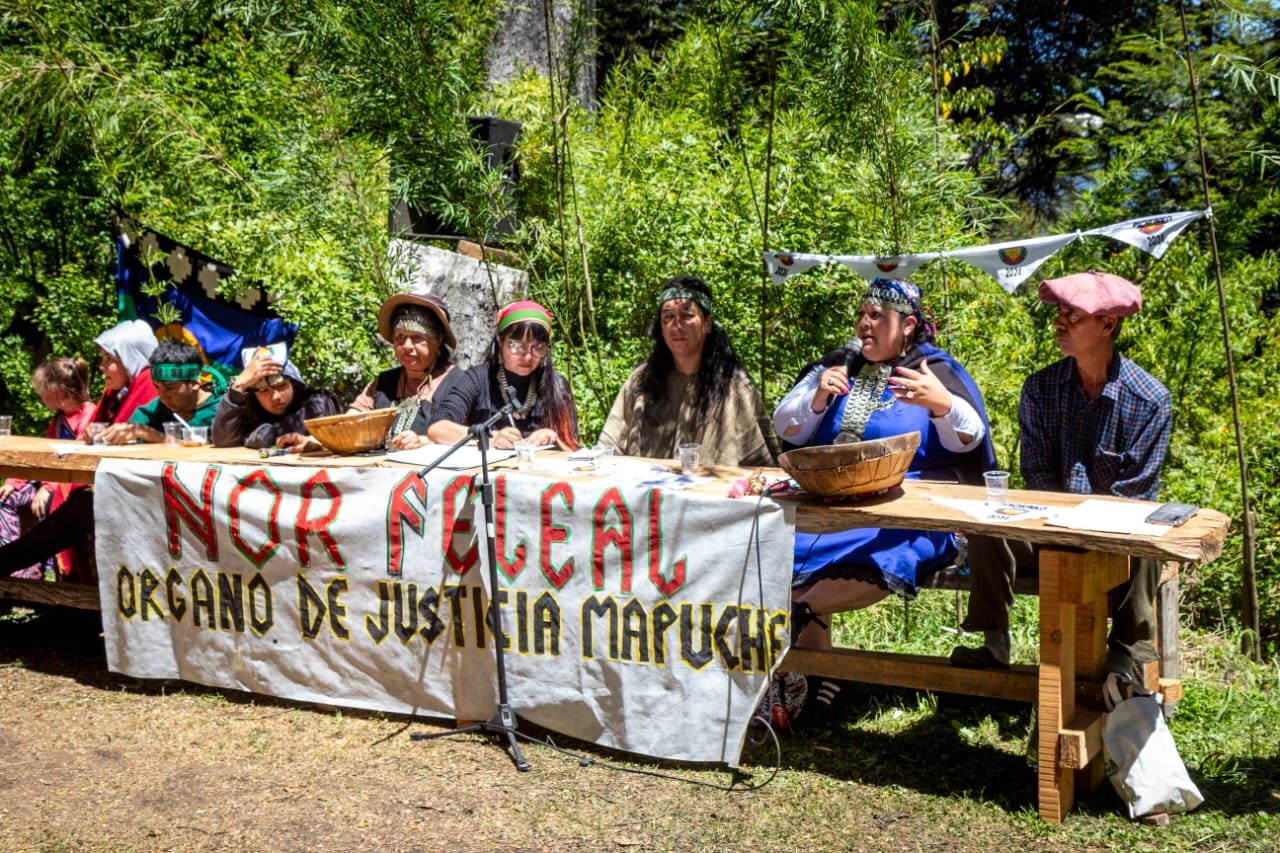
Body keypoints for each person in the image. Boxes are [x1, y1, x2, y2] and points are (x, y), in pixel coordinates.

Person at [770, 277, 996, 720]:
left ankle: (804, 640)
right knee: (787, 546)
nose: (864, 324)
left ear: (908, 324)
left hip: (911, 513)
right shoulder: (838, 366)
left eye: (877, 316)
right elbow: (787, 428)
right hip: (836, 507)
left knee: (883, 550)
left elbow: (972, 440)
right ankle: (819, 671)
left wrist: (941, 404)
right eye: (861, 315)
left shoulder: (936, 371)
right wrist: (817, 400)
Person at [951, 270, 1171, 682]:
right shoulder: (1041, 387)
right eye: (1059, 312)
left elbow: (1134, 495)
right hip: (1049, 526)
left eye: (1073, 315)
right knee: (986, 524)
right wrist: (1059, 524)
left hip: (1115, 539)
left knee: (1149, 540)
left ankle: (1125, 658)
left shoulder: (1150, 399)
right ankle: (994, 641)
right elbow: (1037, 478)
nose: (1059, 322)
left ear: (1107, 324)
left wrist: (1087, 525)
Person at [598, 275, 779, 467]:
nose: (677, 325)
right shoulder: (641, 381)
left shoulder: (733, 383)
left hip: (713, 494)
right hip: (649, 495)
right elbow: (607, 448)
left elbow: (760, 464)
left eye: (687, 316)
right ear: (661, 327)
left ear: (708, 323)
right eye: (668, 317)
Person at [428, 300, 580, 450]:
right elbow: (437, 428)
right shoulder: (479, 379)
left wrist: (552, 436)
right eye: (517, 347)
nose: (527, 357)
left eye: (538, 348)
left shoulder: (555, 385)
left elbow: (574, 447)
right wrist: (491, 438)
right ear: (500, 342)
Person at [0, 358, 94, 580]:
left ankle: (49, 567)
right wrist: (14, 482)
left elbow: (75, 460)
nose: (40, 396)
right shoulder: (59, 419)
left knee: (53, 507)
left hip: (71, 488)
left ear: (58, 392)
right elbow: (46, 457)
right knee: (6, 500)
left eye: (43, 390)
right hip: (49, 484)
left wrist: (50, 486)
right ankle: (15, 571)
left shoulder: (89, 415)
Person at [349, 290, 459, 450]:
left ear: (438, 340)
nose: (407, 346)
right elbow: (351, 420)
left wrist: (424, 442)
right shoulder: (384, 383)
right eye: (400, 337)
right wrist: (319, 440)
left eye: (417, 338)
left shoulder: (459, 383)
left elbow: (470, 437)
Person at [212, 347, 338, 450]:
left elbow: (270, 437)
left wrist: (250, 437)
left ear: (294, 383)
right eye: (263, 390)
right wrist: (238, 387)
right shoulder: (251, 407)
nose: (276, 397)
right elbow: (224, 440)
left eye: (281, 385)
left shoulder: (318, 403)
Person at [101, 341, 222, 444]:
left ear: (195, 383)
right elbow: (128, 435)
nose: (163, 397)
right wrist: (99, 437)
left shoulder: (222, 411)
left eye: (169, 388)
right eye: (157, 387)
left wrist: (152, 435)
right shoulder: (155, 409)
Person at [86, 319, 159, 429]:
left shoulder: (149, 381)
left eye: (109, 358)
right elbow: (94, 427)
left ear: (130, 359)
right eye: (102, 358)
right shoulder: (115, 390)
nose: (101, 366)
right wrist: (91, 432)